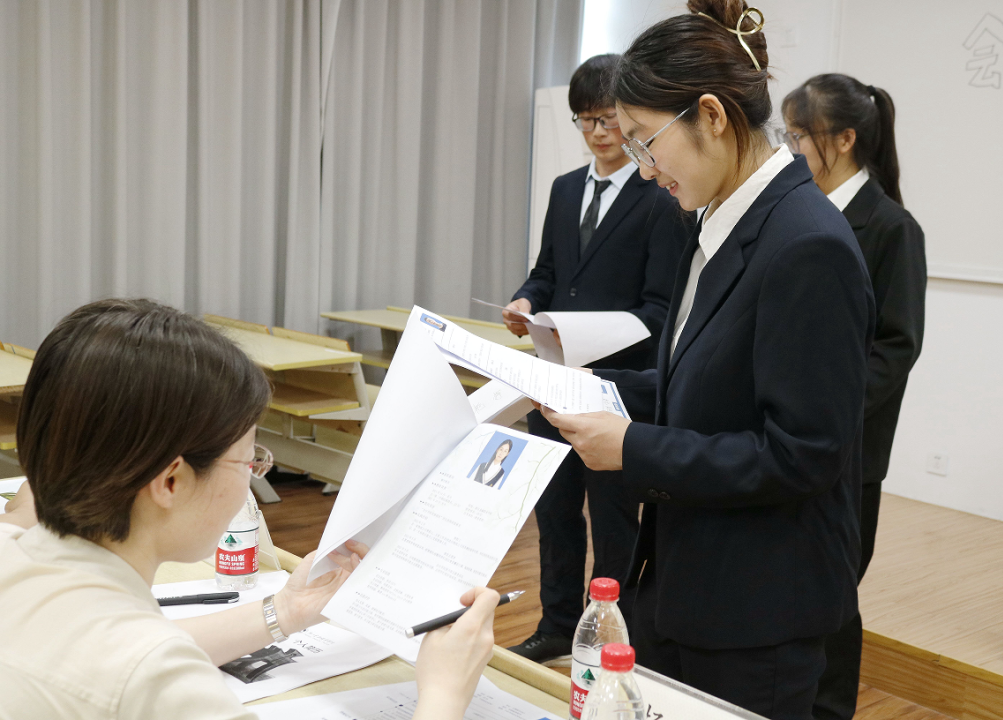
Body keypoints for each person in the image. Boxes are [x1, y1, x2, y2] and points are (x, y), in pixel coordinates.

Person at [537, 2, 876, 718]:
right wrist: (594, 387)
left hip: (756, 607)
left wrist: (632, 447)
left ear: (713, 116)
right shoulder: (717, 218)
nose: (642, 167)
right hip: (686, 581)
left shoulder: (806, 244)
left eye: (644, 141)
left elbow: (803, 455)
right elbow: (700, 383)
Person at [0, 298, 499, 720]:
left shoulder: (13, 553)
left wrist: (287, 611)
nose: (251, 479)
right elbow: (141, 666)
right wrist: (443, 694)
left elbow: (120, 647)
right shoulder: (159, 681)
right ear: (171, 481)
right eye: (248, 460)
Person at [503, 53, 690, 665]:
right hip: (553, 380)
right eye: (585, 120)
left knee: (614, 521)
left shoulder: (661, 195)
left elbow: (660, 308)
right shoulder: (564, 189)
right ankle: (557, 625)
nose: (598, 132)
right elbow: (548, 272)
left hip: (616, 388)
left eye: (608, 119)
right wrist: (527, 301)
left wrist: (587, 337)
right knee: (554, 513)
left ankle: (608, 636)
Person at [782, 74, 927, 720]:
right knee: (792, 588)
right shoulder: (799, 213)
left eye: (799, 136)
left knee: (835, 596)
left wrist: (823, 407)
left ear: (843, 139)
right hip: (788, 437)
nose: (789, 148)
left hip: (849, 449)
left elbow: (896, 347)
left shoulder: (892, 227)